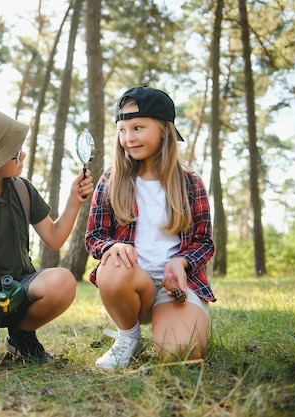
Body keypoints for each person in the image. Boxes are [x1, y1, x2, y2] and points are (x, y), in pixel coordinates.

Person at [0, 104, 94, 373]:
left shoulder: (22, 189)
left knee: (63, 281)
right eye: (13, 152)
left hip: (19, 289)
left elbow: (54, 238)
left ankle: (20, 336)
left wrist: (73, 201)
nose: (22, 154)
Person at [84, 86, 216, 370]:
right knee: (114, 264)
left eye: (138, 127)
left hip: (177, 286)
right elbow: (94, 236)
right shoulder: (111, 179)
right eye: (122, 130)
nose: (128, 138)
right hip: (133, 285)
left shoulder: (190, 182)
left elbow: (205, 241)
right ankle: (129, 337)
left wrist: (181, 262)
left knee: (181, 353)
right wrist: (112, 246)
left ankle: (178, 320)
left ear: (164, 130)